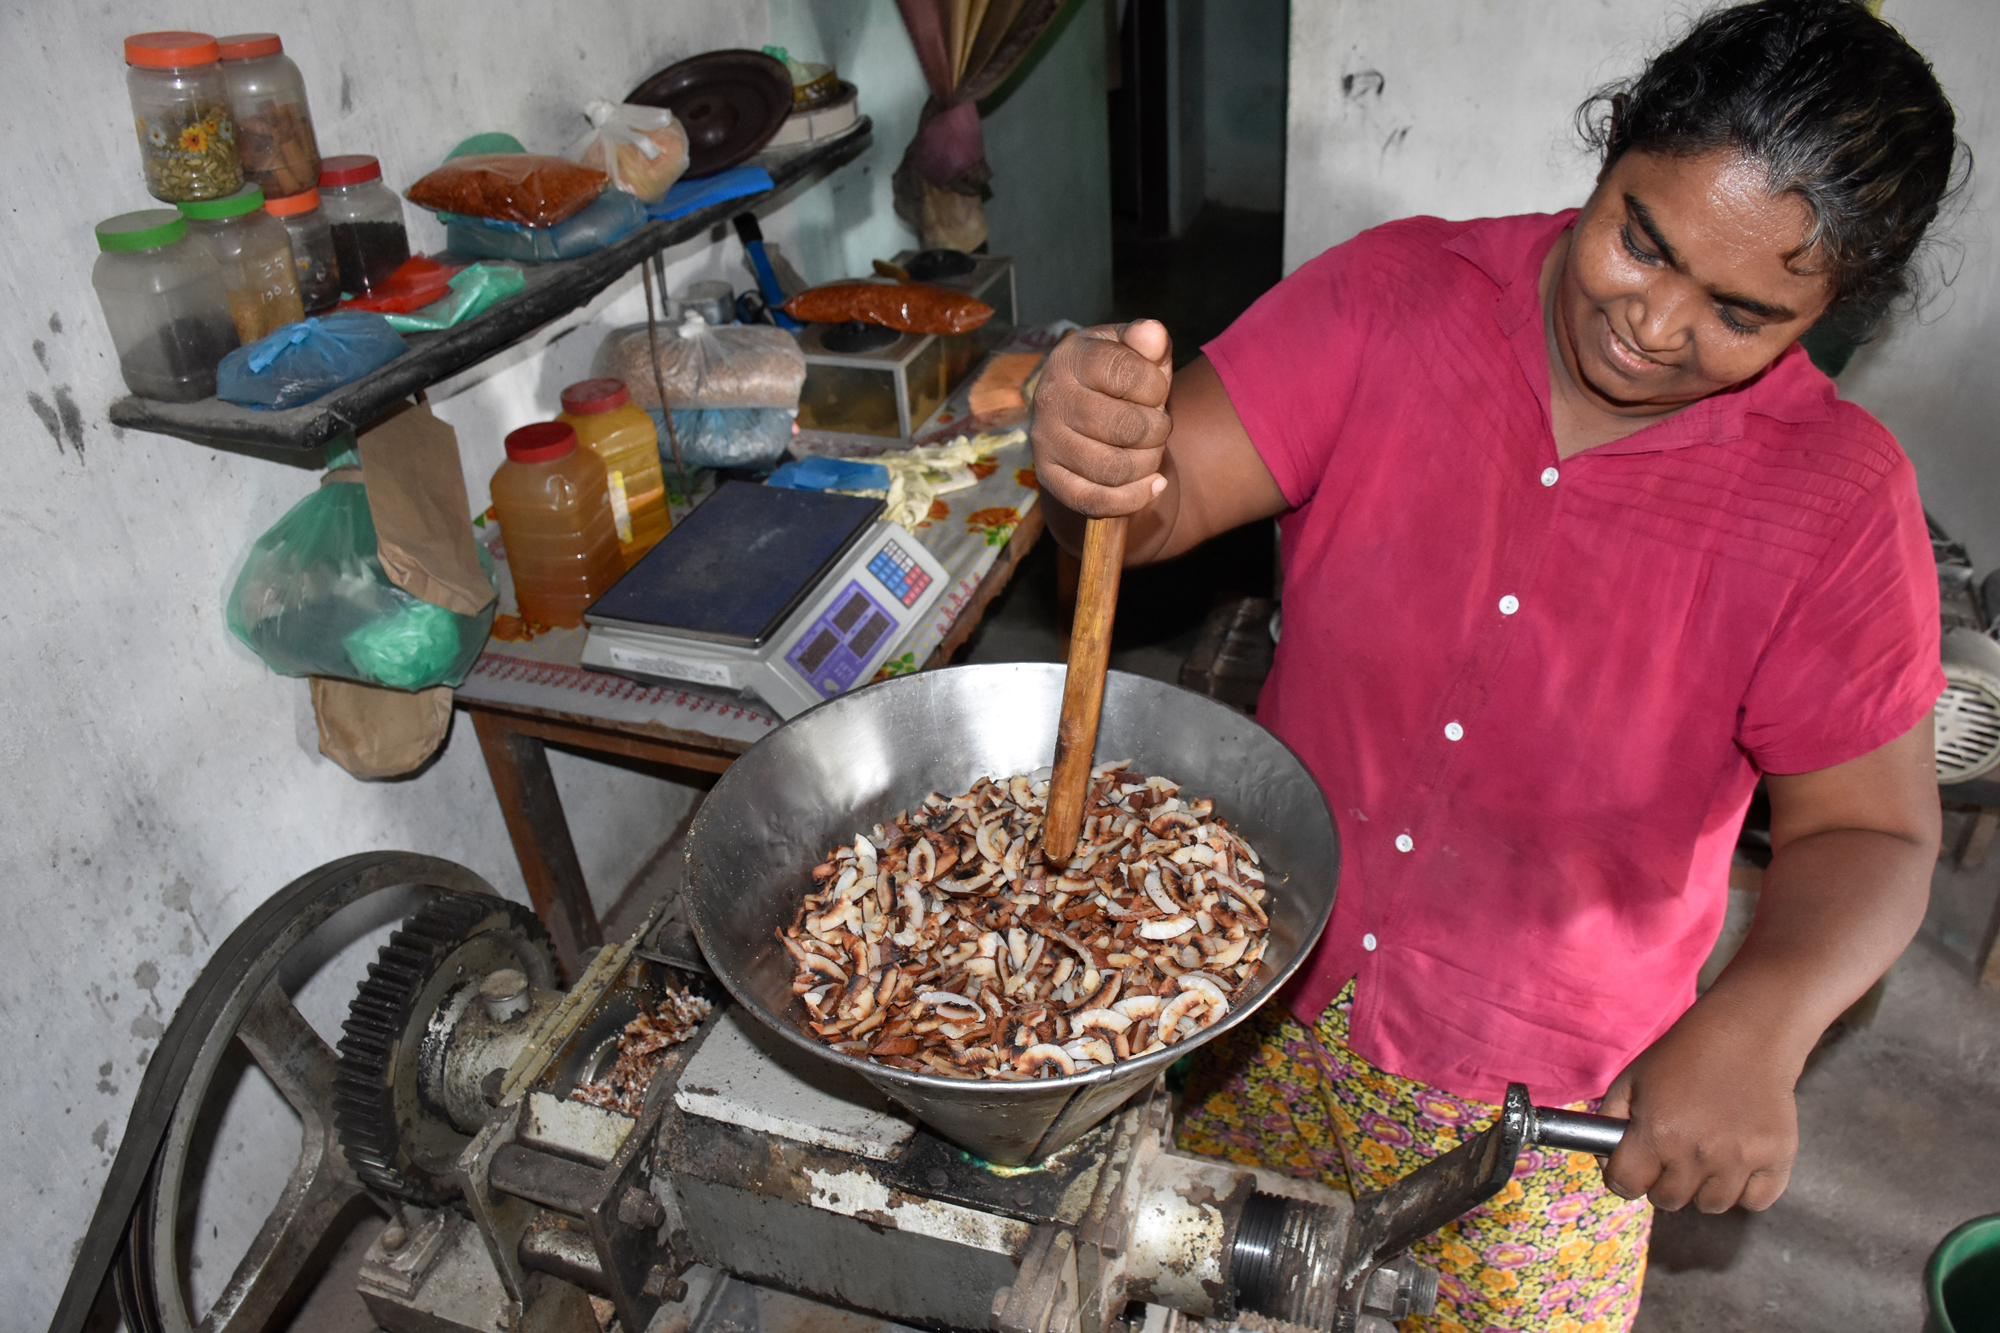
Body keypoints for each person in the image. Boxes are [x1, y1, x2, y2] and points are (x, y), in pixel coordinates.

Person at [1029, 1, 1962, 1328]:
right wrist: (1095, 459)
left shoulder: (1839, 506)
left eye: (1743, 312)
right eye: (1643, 239)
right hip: (1249, 998)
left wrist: (1761, 1021)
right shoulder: (1399, 297)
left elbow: (1871, 829)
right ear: (1612, 152)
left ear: (1830, 309)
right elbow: (1152, 505)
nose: (1655, 322)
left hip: (1555, 1115)